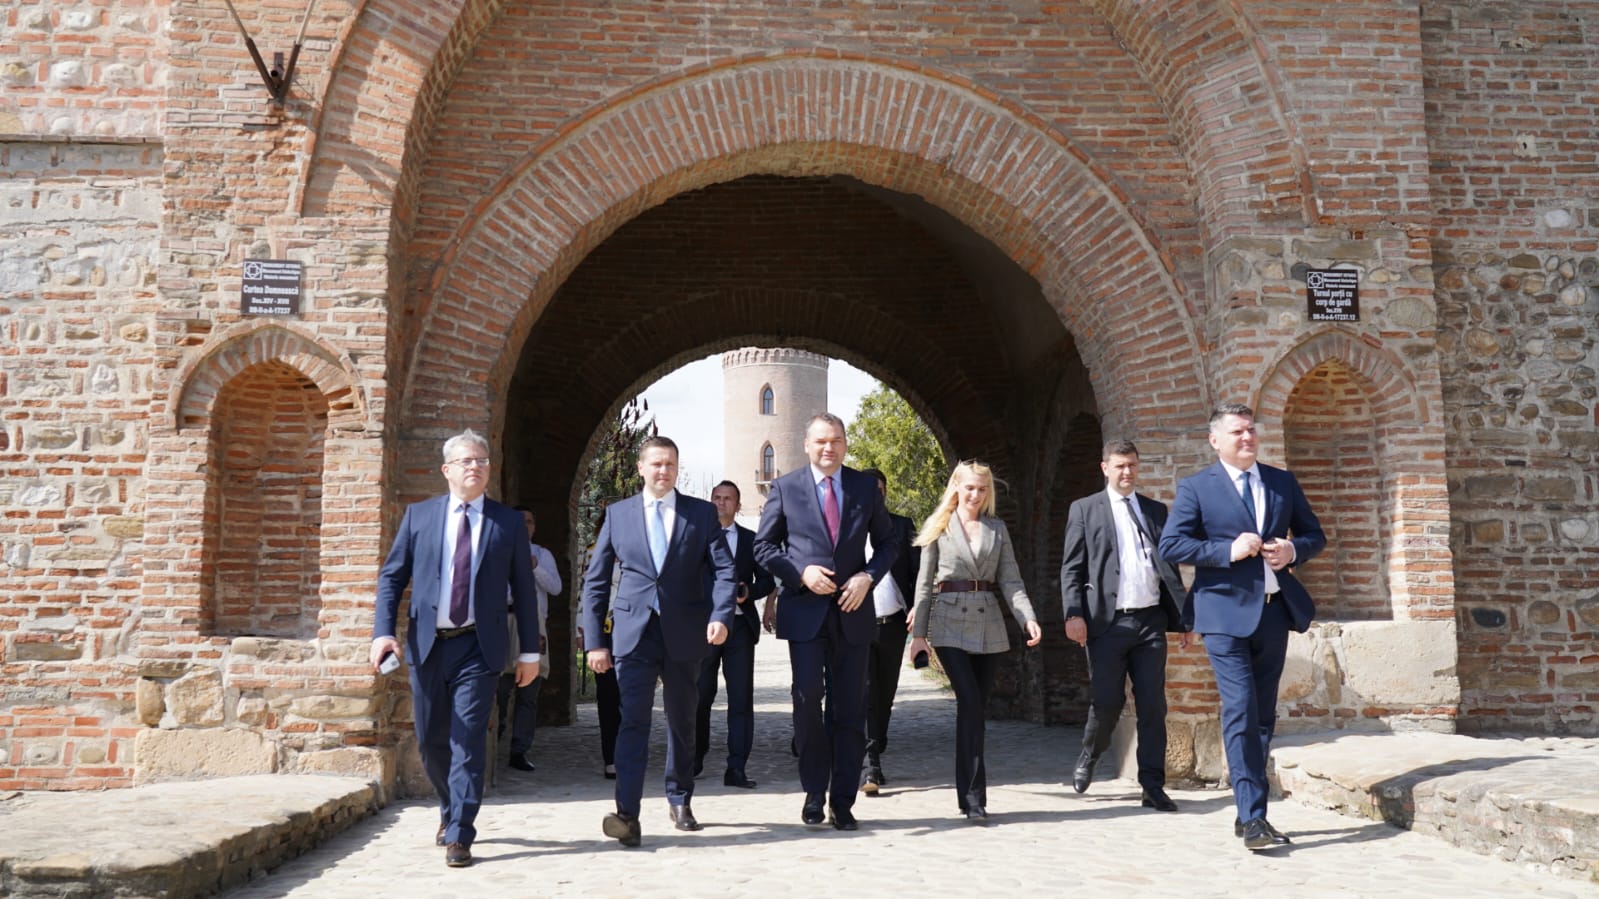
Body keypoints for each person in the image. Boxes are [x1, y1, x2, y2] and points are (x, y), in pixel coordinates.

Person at [370, 429, 541, 869]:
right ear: (447, 470)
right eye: (467, 461)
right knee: (431, 740)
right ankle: (449, 808)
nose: (476, 467)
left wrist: (529, 651)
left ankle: (461, 833)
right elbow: (392, 577)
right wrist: (382, 632)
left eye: (482, 460)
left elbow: (524, 589)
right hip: (428, 645)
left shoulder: (506, 523)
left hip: (478, 647)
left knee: (468, 738)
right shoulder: (420, 516)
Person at [1158, 402, 1325, 851]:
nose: (1247, 437)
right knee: (1241, 708)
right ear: (1216, 441)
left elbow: (1315, 535)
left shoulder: (1281, 481)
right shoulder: (1197, 487)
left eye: (1251, 430)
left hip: (1273, 612)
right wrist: (1227, 551)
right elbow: (1171, 545)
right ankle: (1254, 819)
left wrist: (1293, 551)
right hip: (1222, 615)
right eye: (1237, 432)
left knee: (1263, 715)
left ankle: (1248, 808)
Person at [581, 436, 737, 847]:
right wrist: (595, 642)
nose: (663, 470)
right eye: (656, 463)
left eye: (669, 464)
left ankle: (680, 797)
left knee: (682, 719)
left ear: (677, 468)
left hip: (685, 631)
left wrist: (720, 615)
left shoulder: (700, 514)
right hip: (634, 633)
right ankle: (627, 813)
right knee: (632, 721)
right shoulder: (618, 515)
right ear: (641, 468)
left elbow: (725, 570)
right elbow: (596, 582)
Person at [754, 413, 897, 832]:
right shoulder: (785, 488)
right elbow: (763, 547)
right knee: (808, 699)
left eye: (835, 440)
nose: (828, 448)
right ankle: (814, 790)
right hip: (805, 612)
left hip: (853, 611)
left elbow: (889, 542)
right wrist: (800, 573)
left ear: (845, 444)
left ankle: (843, 801)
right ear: (806, 445)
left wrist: (868, 577)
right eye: (820, 441)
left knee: (849, 708)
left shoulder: (864, 487)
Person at [907, 460, 1042, 821]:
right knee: (968, 702)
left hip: (988, 623)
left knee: (976, 710)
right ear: (956, 487)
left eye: (982, 489)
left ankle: (971, 795)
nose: (975, 495)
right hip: (949, 622)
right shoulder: (939, 527)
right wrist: (919, 636)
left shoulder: (997, 529)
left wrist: (1027, 617)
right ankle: (972, 798)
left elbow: (1011, 580)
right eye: (969, 488)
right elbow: (924, 585)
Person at [1060, 439, 1188, 811]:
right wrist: (1073, 614)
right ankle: (1090, 752)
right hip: (1106, 623)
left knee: (1153, 706)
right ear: (1105, 468)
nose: (1127, 472)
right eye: (1119, 466)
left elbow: (1169, 568)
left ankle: (1152, 785)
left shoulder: (1155, 510)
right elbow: (1071, 568)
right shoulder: (1085, 509)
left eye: (1132, 464)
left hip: (1149, 621)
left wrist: (1184, 619)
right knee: (1108, 703)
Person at [694, 480, 775, 788]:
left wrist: (749, 591)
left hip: (740, 628)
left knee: (740, 699)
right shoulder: (697, 537)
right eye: (716, 497)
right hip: (704, 628)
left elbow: (767, 581)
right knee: (700, 695)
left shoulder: (751, 541)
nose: (721, 503)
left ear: (738, 506)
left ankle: (737, 767)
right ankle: (695, 756)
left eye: (728, 499)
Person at [858, 468, 918, 795]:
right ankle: (870, 766)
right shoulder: (848, 527)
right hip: (858, 623)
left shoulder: (902, 526)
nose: (874, 494)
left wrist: (918, 609)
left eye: (879, 489)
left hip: (893, 624)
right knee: (865, 693)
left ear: (885, 492)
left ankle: (876, 744)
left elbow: (917, 572)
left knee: (885, 695)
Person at [495, 506, 561, 773]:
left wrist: (535, 568)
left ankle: (519, 750)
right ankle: (496, 736)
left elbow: (556, 588)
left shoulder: (542, 555)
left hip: (534, 625)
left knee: (529, 692)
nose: (525, 526)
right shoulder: (498, 551)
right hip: (505, 620)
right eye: (520, 521)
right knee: (500, 687)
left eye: (530, 521)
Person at [578, 505, 621, 780]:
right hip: (605, 630)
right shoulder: (593, 552)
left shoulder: (637, 551)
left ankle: (629, 752)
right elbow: (585, 592)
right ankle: (611, 757)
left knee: (632, 695)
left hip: (634, 629)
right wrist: (582, 629)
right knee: (608, 696)